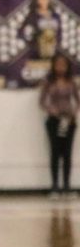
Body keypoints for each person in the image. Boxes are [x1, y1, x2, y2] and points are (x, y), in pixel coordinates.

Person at [39, 54, 80, 198]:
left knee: (67, 153)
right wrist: (52, 111)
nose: (61, 67)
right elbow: (42, 102)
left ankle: (67, 187)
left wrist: (73, 113)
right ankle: (55, 186)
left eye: (63, 64)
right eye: (58, 64)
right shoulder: (48, 82)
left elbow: (77, 100)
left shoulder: (72, 82)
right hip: (54, 120)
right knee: (55, 152)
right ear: (53, 65)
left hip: (69, 121)